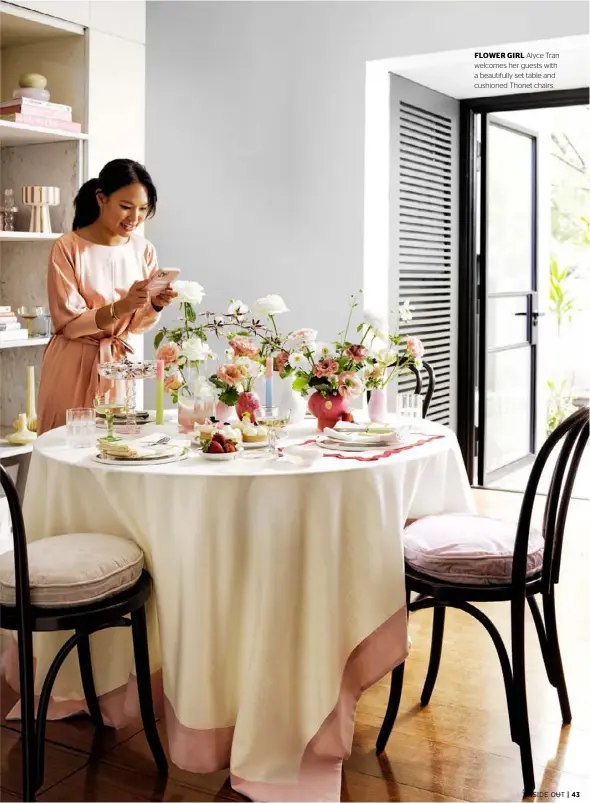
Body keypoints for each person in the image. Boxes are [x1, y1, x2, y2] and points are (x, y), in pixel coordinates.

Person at [36, 159, 176, 434]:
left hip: (118, 366)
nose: (134, 218)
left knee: (117, 451)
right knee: (68, 447)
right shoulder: (67, 248)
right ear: (101, 199)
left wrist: (155, 305)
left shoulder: (143, 249)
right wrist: (122, 306)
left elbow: (137, 325)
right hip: (73, 364)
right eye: (125, 207)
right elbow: (70, 323)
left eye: (143, 209)